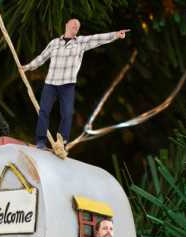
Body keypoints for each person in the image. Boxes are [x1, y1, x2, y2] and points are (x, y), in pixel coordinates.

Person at [21, 19, 129, 149]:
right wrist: (27, 67)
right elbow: (41, 58)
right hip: (50, 83)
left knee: (67, 114)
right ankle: (40, 141)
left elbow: (98, 39)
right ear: (66, 25)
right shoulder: (54, 43)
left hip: (67, 84)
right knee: (44, 111)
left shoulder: (80, 42)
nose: (75, 27)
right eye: (73, 25)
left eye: (77, 26)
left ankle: (62, 143)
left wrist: (116, 35)